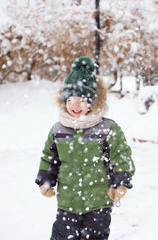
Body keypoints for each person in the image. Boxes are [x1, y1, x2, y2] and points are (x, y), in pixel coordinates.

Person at [35, 56, 135, 240]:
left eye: (82, 100)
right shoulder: (58, 130)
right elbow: (50, 157)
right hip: (67, 204)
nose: (75, 105)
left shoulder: (107, 129)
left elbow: (121, 156)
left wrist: (120, 183)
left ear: (93, 102)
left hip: (97, 203)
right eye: (71, 100)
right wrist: (45, 179)